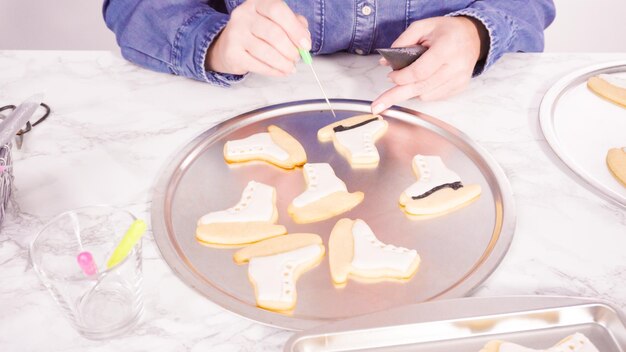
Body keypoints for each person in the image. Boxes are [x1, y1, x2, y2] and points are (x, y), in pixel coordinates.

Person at [103, 0, 555, 114]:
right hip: (238, 104)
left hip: (458, 110)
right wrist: (216, 41)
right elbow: (131, 8)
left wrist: (476, 32)